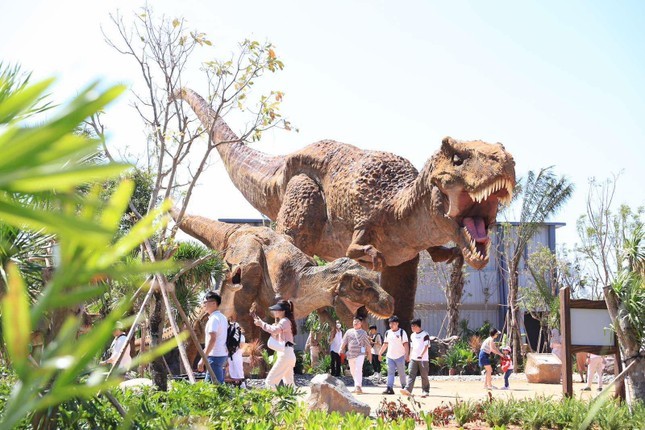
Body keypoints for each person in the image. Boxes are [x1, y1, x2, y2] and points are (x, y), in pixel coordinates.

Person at [253, 299, 297, 388]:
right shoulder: (286, 321)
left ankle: (275, 401)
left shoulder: (284, 321)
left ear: (283, 311)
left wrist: (261, 324)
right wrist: (262, 323)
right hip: (288, 353)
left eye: (277, 310)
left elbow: (275, 331)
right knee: (290, 385)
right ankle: (294, 401)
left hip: (285, 354)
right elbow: (276, 333)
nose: (274, 311)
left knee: (270, 382)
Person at [199, 291, 229, 383]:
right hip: (221, 354)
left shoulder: (214, 319)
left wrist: (203, 359)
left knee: (215, 385)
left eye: (205, 302)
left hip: (215, 356)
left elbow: (212, 339)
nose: (203, 305)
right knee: (212, 384)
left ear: (213, 303)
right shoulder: (222, 317)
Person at [340, 316, 372, 394]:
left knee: (358, 369)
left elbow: (367, 344)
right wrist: (341, 349)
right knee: (352, 370)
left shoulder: (363, 332)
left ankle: (357, 386)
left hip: (360, 354)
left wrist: (369, 354)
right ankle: (357, 386)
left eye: (357, 322)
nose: (355, 323)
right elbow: (344, 341)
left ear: (360, 323)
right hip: (350, 354)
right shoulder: (349, 332)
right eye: (354, 321)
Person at [378, 315, 409, 395]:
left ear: (397, 323)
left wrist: (407, 355)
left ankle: (404, 387)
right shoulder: (388, 333)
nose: (391, 325)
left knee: (401, 373)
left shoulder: (402, 332)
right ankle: (389, 388)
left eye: (393, 323)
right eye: (390, 323)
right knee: (390, 373)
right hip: (390, 356)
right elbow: (385, 344)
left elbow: (406, 344)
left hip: (400, 356)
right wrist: (380, 353)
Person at [401, 318, 430, 397]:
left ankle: (425, 390)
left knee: (424, 375)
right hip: (413, 359)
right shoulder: (412, 335)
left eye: (413, 326)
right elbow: (412, 347)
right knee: (411, 374)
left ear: (418, 326)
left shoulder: (425, 334)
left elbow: (426, 346)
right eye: (411, 326)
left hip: (423, 359)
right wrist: (409, 356)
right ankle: (407, 390)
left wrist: (421, 354)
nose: (412, 328)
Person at [227, 322, 247, 388]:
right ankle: (241, 384)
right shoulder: (241, 336)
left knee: (231, 369)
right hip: (237, 354)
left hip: (230, 354)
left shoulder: (228, 336)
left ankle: (234, 384)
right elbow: (242, 346)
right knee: (239, 370)